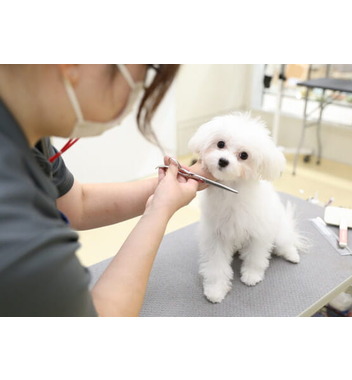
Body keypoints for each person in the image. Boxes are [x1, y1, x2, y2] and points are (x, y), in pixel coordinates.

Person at [0, 64, 208, 317]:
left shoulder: (25, 131)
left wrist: (177, 183)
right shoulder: (12, 208)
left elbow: (78, 204)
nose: (141, 87)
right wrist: (159, 210)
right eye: (147, 68)